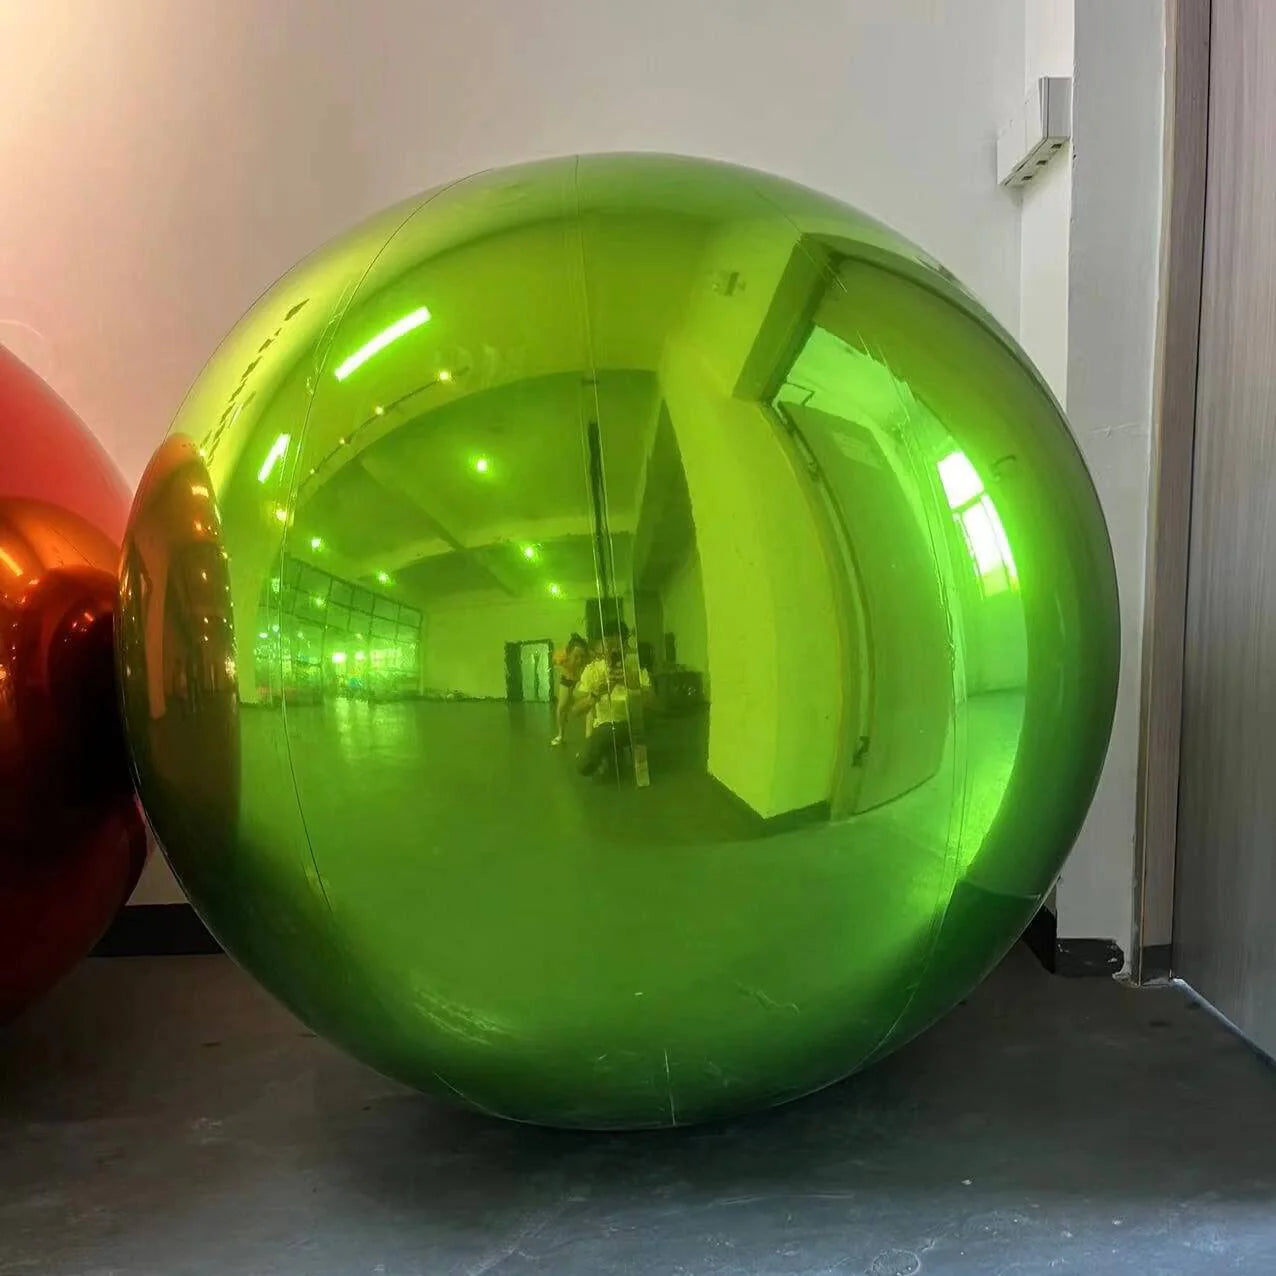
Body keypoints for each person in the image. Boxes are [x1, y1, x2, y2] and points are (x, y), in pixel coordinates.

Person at [573, 630, 653, 779]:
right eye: (609, 646)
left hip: (630, 725)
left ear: (625, 646)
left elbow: (651, 703)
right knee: (592, 758)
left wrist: (633, 684)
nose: (614, 651)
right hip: (604, 728)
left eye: (618, 646)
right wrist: (596, 694)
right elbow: (576, 710)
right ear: (601, 649)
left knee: (596, 749)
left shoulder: (637, 668)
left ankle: (609, 752)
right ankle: (612, 753)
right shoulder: (593, 670)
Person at [550, 633, 590, 746]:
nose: (579, 660)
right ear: (568, 654)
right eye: (576, 657)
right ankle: (560, 735)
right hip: (567, 678)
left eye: (582, 656)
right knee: (562, 706)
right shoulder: (561, 656)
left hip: (582, 678)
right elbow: (555, 665)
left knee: (588, 706)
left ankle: (589, 735)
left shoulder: (589, 657)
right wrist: (567, 673)